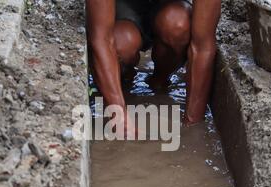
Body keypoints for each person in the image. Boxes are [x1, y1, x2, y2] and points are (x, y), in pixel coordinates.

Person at [86, 0, 221, 134]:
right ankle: (123, 80)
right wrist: (120, 119)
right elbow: (100, 38)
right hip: (122, 9)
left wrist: (192, 124)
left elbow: (202, 48)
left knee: (178, 25)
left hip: (169, 9)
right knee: (122, 45)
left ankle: (159, 81)